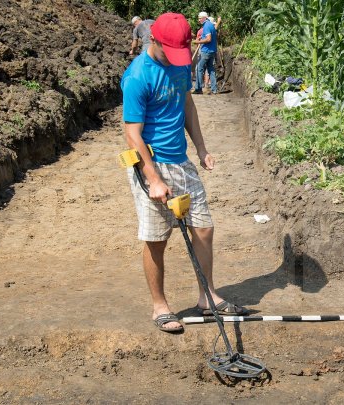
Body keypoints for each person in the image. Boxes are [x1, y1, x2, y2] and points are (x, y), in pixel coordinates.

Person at [121, 12, 247, 334]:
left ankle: (207, 297)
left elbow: (187, 104)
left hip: (181, 160)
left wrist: (201, 149)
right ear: (154, 40)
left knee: (203, 228)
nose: (178, 60)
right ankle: (160, 307)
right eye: (170, 51)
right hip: (151, 163)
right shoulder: (138, 76)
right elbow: (132, 134)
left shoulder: (179, 63)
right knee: (156, 239)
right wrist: (154, 180)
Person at [192, 11, 218, 94]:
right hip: (212, 50)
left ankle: (198, 89)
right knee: (211, 69)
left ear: (204, 18)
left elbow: (208, 39)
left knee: (199, 69)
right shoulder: (211, 25)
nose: (199, 20)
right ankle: (214, 90)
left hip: (206, 51)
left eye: (200, 18)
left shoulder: (206, 26)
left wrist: (197, 42)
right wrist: (201, 39)